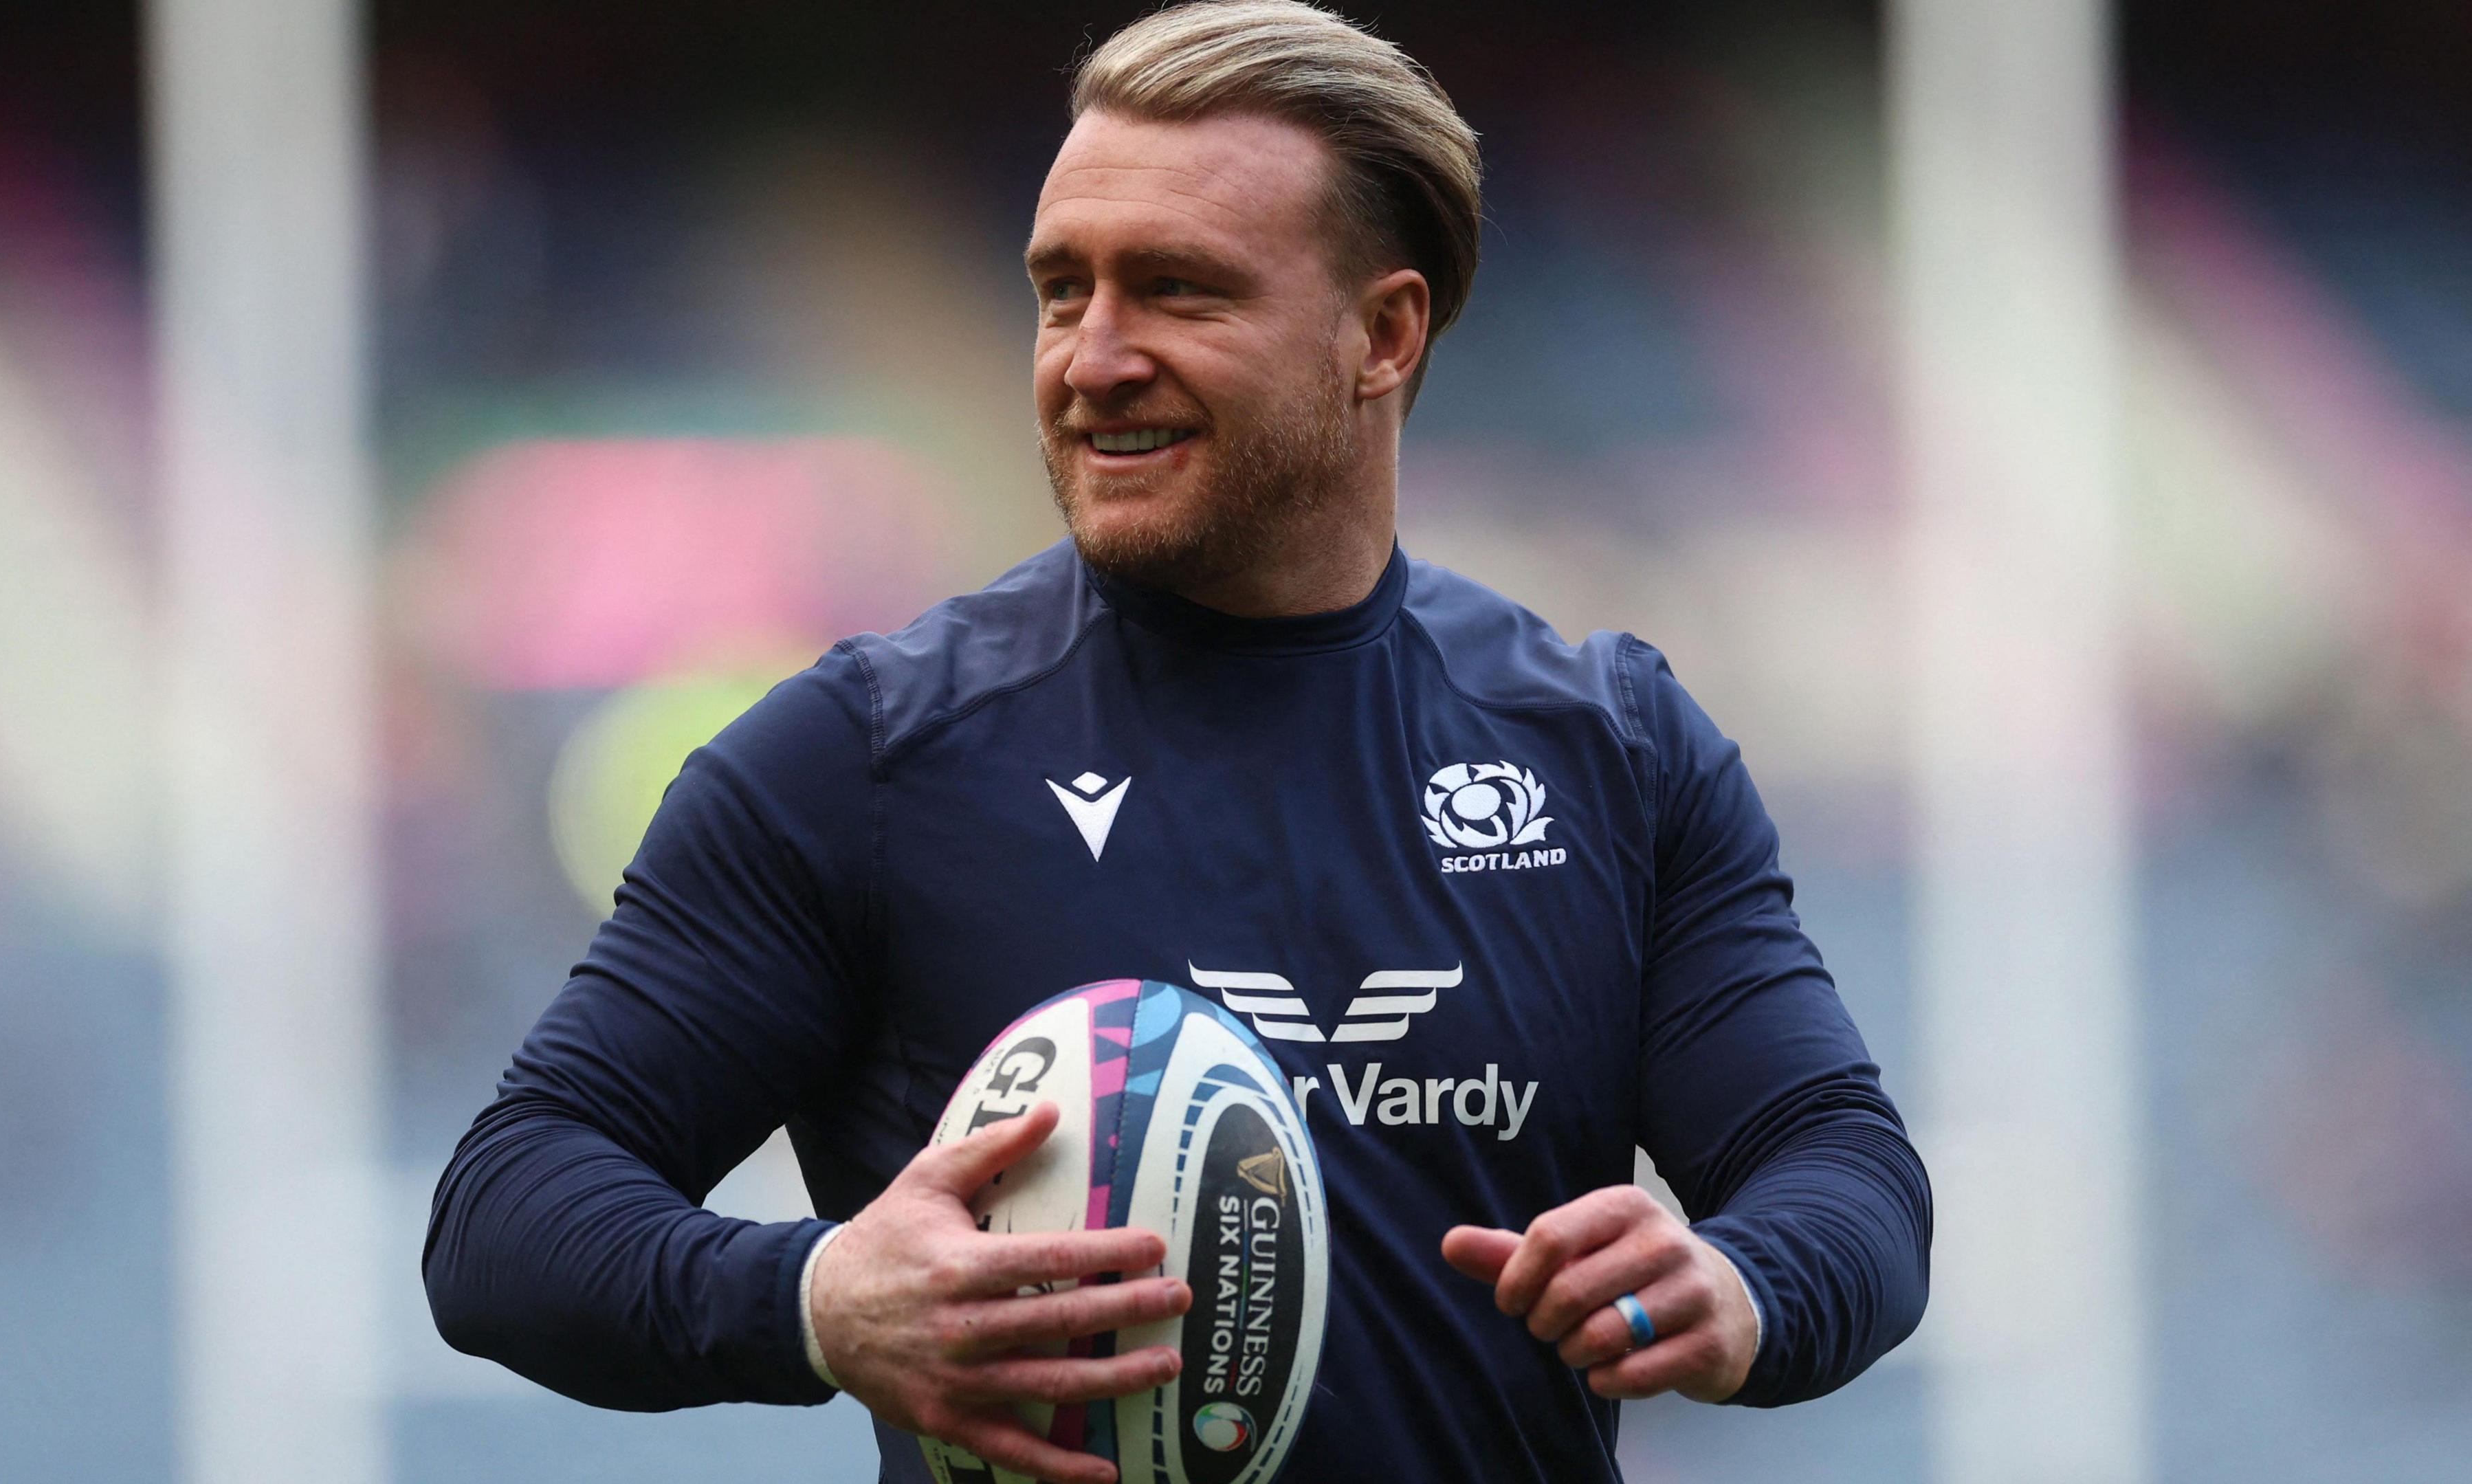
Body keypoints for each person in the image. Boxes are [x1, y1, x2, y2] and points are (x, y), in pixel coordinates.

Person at [422, 3, 1932, 1481]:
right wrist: (812, 1299)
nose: (1092, 355)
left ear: (1384, 333)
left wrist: (1741, 1286)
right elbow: (508, 1213)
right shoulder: (860, 757)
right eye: (1060, 288)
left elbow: (1841, 1168)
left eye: (1178, 290)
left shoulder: (1609, 747)